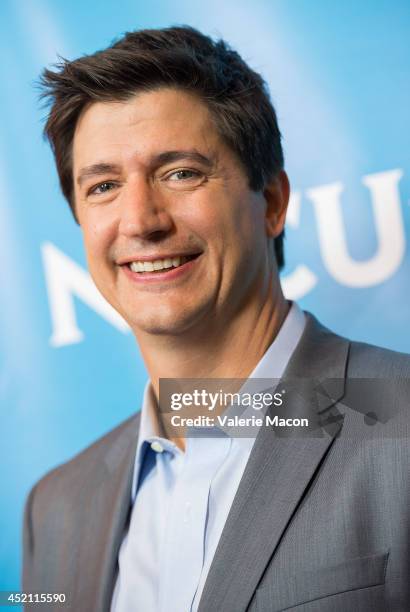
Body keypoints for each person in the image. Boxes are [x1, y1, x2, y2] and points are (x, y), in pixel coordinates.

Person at [23, 26, 409, 612]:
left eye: (180, 173)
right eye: (102, 186)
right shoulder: (52, 509)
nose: (140, 221)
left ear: (273, 204)